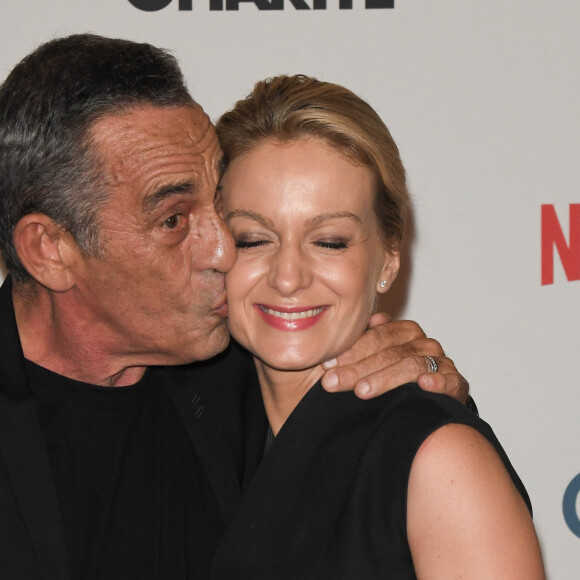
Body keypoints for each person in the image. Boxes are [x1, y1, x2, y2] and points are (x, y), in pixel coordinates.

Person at [0, 35, 468, 579]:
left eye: (220, 204)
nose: (224, 249)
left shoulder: (256, 364)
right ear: (50, 250)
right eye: (174, 219)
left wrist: (439, 397)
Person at [211, 75, 545, 578]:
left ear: (389, 259)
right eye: (254, 239)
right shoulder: (187, 425)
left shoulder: (440, 460)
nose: (287, 277)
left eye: (329, 241)